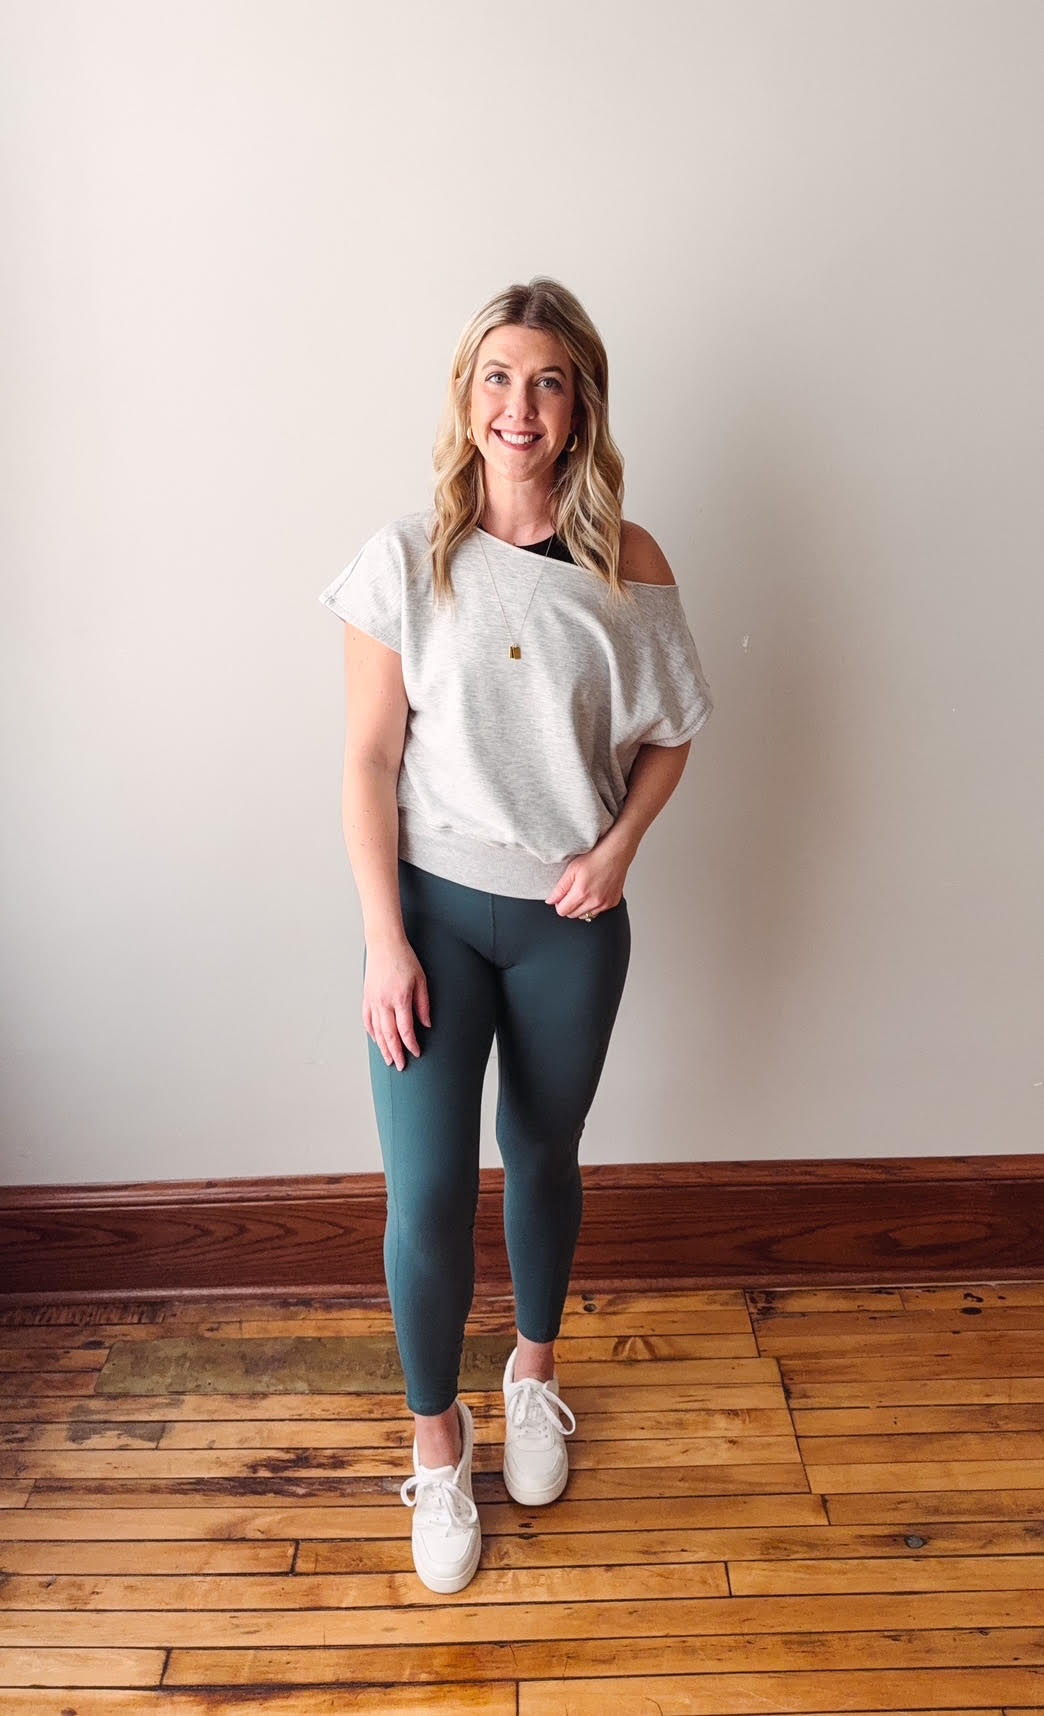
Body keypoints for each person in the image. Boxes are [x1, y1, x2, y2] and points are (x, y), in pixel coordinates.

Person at [317, 276, 713, 1594]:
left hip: (565, 926)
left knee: (543, 1157)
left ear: (579, 401)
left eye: (546, 380)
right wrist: (385, 943)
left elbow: (673, 736)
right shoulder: (407, 562)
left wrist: (618, 850)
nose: (519, 405)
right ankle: (439, 1444)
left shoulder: (627, 565)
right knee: (426, 1197)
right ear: (465, 398)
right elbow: (368, 763)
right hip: (427, 919)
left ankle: (532, 1375)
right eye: (497, 377)